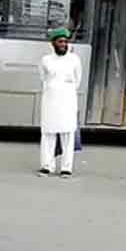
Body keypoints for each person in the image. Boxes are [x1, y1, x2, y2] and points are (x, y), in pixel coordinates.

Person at [38, 28, 83, 178]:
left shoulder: (74, 59)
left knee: (68, 134)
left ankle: (66, 168)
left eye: (65, 41)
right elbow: (43, 78)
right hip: (50, 101)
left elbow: (78, 80)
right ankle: (46, 166)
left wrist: (65, 89)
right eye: (60, 41)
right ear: (53, 43)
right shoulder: (46, 60)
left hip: (68, 101)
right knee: (48, 134)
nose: (63, 44)